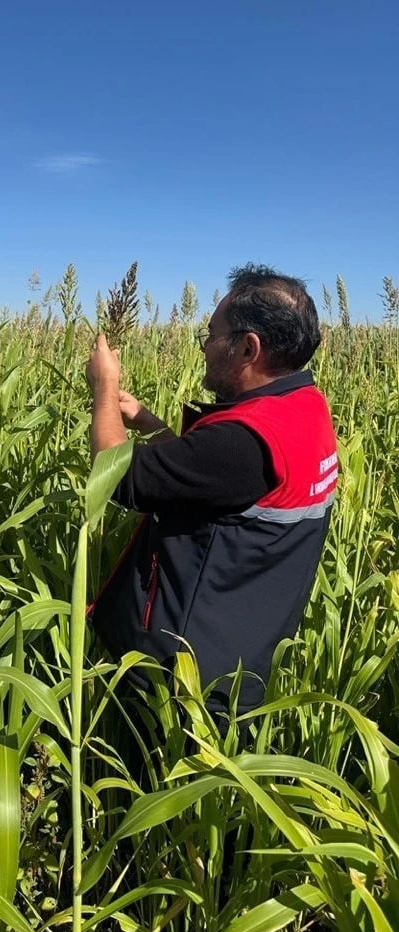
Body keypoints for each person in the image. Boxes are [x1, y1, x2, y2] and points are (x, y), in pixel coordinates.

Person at [86, 263, 337, 722]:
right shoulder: (302, 410)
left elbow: (115, 476)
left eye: (211, 333)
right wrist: (147, 421)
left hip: (184, 681)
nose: (204, 345)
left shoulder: (242, 444)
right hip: (239, 651)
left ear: (248, 347)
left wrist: (104, 388)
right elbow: (209, 481)